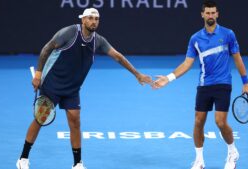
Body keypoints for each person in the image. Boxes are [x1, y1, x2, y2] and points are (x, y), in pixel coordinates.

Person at [16, 8, 152, 169]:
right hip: (52, 83)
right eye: (90, 18)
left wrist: (137, 74)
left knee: (75, 122)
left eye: (96, 19)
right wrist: (38, 74)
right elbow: (47, 48)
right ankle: (23, 158)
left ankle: (77, 163)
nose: (94, 21)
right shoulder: (69, 33)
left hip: (72, 88)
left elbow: (118, 56)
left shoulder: (99, 40)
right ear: (83, 20)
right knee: (40, 119)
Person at [152, 1, 248, 169]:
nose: (211, 16)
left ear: (217, 14)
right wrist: (168, 78)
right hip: (204, 85)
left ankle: (232, 152)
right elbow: (187, 63)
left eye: (213, 13)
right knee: (198, 122)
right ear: (202, 15)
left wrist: (245, 83)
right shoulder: (195, 38)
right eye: (208, 13)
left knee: (220, 122)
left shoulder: (228, 34)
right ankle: (199, 160)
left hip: (223, 83)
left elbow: (237, 59)